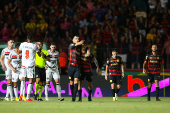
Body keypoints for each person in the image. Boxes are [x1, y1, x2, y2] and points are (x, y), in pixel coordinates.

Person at [18, 33, 40, 101]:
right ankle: (27, 97)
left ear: (27, 38)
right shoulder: (34, 46)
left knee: (23, 79)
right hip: (30, 65)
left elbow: (19, 52)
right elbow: (39, 54)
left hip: (23, 64)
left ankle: (21, 95)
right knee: (31, 80)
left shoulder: (22, 44)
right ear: (33, 39)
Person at [68, 36, 84, 101]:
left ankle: (74, 96)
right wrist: (81, 42)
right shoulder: (71, 45)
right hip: (71, 66)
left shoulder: (80, 47)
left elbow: (84, 44)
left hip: (78, 67)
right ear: (72, 40)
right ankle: (73, 95)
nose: (77, 40)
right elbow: (81, 42)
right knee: (71, 82)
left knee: (76, 80)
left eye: (78, 39)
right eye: (76, 39)